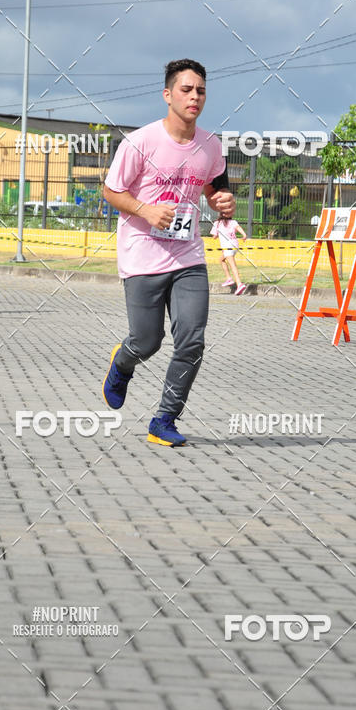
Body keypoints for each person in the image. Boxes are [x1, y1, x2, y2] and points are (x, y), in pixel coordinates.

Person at [102, 59, 236, 447]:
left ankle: (164, 419)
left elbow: (215, 192)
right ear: (168, 94)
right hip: (142, 255)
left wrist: (224, 203)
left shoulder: (210, 145)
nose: (195, 97)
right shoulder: (139, 142)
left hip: (188, 258)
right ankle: (123, 362)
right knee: (147, 341)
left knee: (192, 340)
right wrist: (145, 210)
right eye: (186, 89)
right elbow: (111, 191)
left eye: (201, 91)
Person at [210, 212, 247, 294]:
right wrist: (244, 235)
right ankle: (229, 278)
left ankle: (239, 284)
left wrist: (217, 232)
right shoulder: (233, 222)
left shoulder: (217, 223)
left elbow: (214, 236)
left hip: (227, 247)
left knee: (232, 265)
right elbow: (238, 228)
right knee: (221, 260)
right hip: (234, 245)